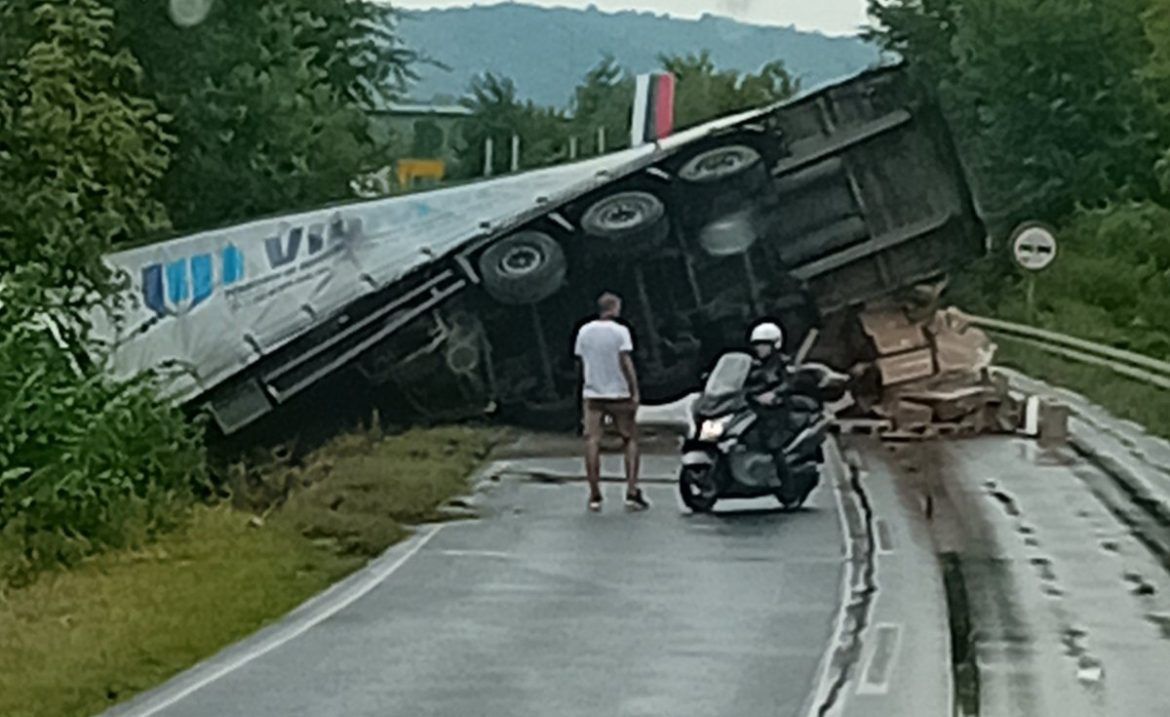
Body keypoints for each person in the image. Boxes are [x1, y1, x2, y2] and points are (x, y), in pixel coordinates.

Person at [574, 292, 649, 513]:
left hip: (593, 393)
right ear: (614, 308)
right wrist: (634, 391)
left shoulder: (584, 331)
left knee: (592, 440)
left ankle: (595, 494)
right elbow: (625, 361)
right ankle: (632, 492)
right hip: (619, 393)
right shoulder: (620, 331)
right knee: (630, 439)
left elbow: (580, 361)